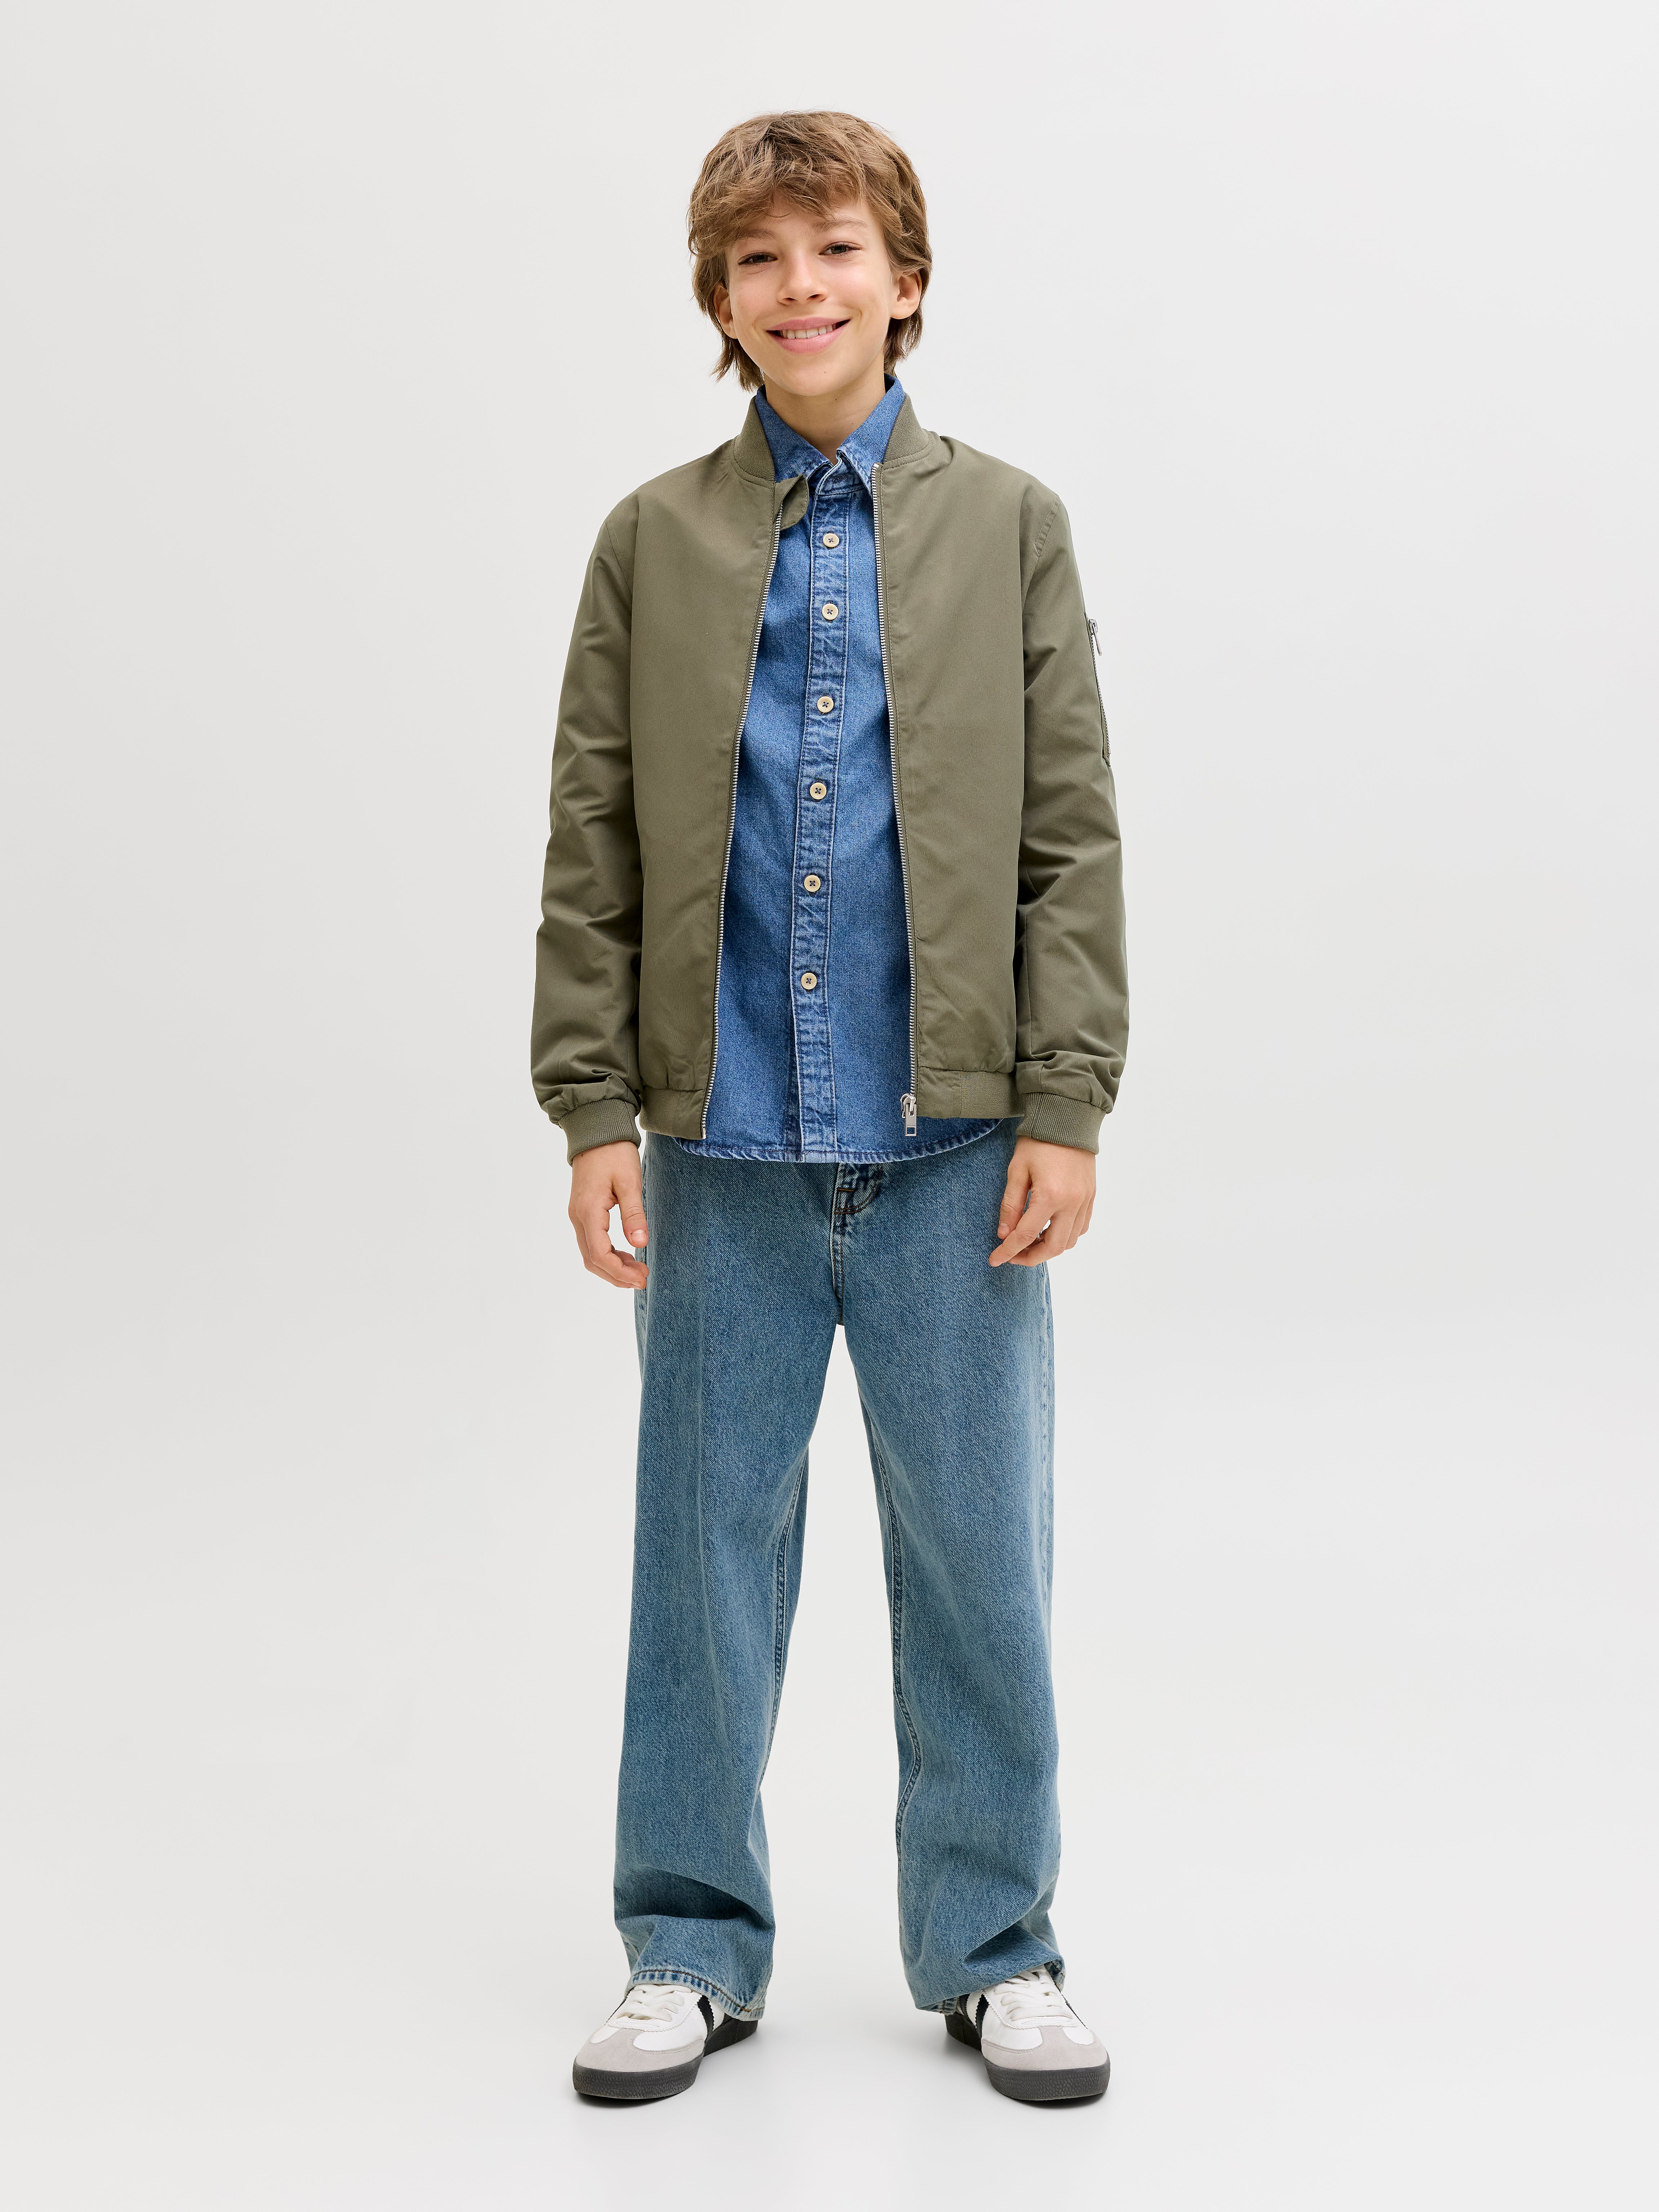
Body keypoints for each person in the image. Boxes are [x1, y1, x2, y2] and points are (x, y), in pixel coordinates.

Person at [532, 110, 1127, 2105]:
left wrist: (1067, 1100)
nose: (803, 288)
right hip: (720, 1153)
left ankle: (998, 1947)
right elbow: (594, 844)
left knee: (979, 1562)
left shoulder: (1011, 524)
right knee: (701, 1561)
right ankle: (687, 1944)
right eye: (760, 260)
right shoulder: (653, 541)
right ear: (721, 300)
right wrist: (591, 1109)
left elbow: (1071, 837)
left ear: (907, 279)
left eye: (838, 248)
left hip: (957, 1150)